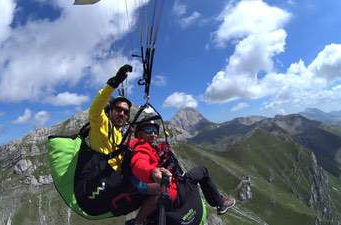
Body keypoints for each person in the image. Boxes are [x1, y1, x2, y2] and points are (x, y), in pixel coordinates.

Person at [74, 64, 157, 216]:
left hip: (116, 180)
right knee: (158, 192)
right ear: (110, 111)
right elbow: (95, 109)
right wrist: (113, 83)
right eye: (118, 109)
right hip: (100, 180)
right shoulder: (101, 124)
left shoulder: (120, 134)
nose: (122, 114)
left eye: (125, 112)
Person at [129, 119, 236, 225]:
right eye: (148, 130)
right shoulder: (141, 147)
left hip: (169, 187)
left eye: (155, 131)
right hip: (172, 191)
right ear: (139, 133)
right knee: (202, 171)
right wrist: (152, 172)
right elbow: (139, 163)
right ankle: (220, 203)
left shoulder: (151, 147)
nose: (153, 134)